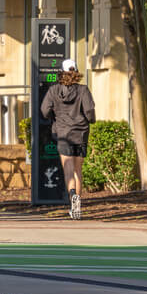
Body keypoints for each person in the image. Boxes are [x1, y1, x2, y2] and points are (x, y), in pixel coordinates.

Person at [40, 58, 95, 220]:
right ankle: (78, 204)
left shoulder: (53, 90)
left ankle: (72, 198)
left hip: (63, 134)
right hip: (81, 133)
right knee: (78, 170)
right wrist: (91, 120)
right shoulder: (83, 90)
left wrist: (54, 118)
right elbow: (90, 111)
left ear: (62, 72)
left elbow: (44, 111)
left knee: (68, 169)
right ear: (76, 71)